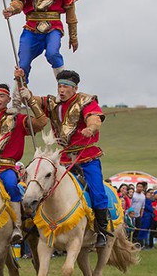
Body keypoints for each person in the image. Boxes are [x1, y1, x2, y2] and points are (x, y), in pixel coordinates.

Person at [16, 68, 110, 247]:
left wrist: (90, 128)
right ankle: (38, 224)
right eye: (59, 86)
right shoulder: (54, 102)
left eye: (66, 87)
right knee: (44, 187)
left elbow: (95, 118)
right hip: (64, 158)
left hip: (86, 156)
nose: (61, 90)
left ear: (74, 88)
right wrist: (24, 87)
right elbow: (35, 101)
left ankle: (102, 232)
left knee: (97, 192)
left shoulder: (85, 101)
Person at [0, 83, 48, 244]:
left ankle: (17, 227)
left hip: (7, 166)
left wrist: (31, 100)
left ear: (8, 99)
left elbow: (41, 122)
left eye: (1, 96)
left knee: (12, 185)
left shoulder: (18, 119)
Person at [3, 0, 82, 101]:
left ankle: (64, 91)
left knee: (53, 53)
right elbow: (19, 0)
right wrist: (11, 9)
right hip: (31, 25)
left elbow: (70, 11)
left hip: (53, 25)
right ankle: (18, 101)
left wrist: (73, 36)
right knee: (23, 63)